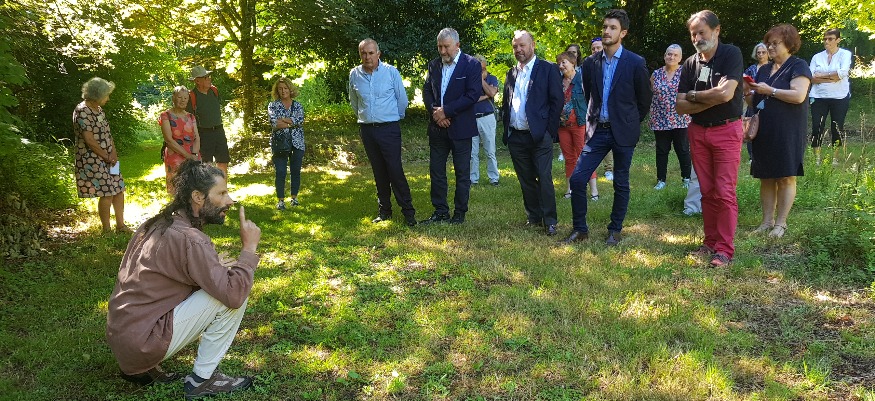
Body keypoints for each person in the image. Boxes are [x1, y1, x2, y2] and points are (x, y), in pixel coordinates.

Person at [106, 160, 261, 399]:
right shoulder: (190, 239)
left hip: (123, 337)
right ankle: (202, 380)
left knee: (224, 283)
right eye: (222, 193)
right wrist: (249, 249)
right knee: (236, 291)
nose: (230, 201)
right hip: (142, 344)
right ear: (198, 197)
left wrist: (212, 266)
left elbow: (167, 274)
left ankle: (142, 370)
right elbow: (234, 295)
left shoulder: (156, 224)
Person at [560, 10, 651, 246]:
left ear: (623, 33)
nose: (606, 31)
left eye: (612, 28)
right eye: (605, 27)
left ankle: (615, 230)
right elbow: (590, 94)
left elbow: (644, 100)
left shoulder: (635, 62)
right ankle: (580, 229)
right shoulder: (591, 63)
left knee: (620, 182)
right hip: (597, 131)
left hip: (623, 131)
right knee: (578, 179)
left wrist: (630, 122)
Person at [676, 10, 745, 267]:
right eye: (693, 34)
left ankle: (724, 250)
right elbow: (679, 106)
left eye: (701, 32)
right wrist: (711, 97)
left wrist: (694, 96)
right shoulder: (690, 64)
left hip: (727, 130)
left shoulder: (731, 54)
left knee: (724, 191)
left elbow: (726, 94)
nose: (697, 38)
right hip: (698, 131)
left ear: (716, 31)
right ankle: (710, 242)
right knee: (706, 191)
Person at [747, 24, 812, 238]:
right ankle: (767, 222)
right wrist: (747, 92)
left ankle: (781, 224)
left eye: (775, 43)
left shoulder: (798, 65)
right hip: (764, 128)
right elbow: (755, 102)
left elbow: (798, 96)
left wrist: (771, 90)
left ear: (789, 44)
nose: (770, 47)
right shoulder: (764, 69)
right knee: (766, 175)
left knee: (785, 176)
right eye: (768, 44)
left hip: (788, 129)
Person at [348, 39, 417, 226]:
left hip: (389, 128)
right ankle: (384, 211)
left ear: (378, 54)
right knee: (378, 171)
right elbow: (354, 102)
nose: (367, 57)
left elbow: (402, 100)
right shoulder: (354, 74)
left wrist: (392, 118)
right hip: (367, 130)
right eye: (363, 53)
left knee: (394, 170)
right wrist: (366, 118)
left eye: (371, 53)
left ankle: (408, 212)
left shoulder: (391, 72)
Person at [501, 30, 563, 235]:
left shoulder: (547, 69)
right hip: (516, 136)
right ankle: (534, 217)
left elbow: (557, 101)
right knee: (526, 179)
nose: (518, 49)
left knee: (544, 177)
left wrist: (548, 132)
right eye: (515, 46)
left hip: (539, 135)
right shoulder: (511, 73)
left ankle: (550, 220)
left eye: (522, 45)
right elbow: (507, 102)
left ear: (532, 45)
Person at [421, 28, 482, 225]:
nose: (442, 51)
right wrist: (435, 113)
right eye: (439, 47)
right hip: (437, 127)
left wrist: (446, 111)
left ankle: (459, 213)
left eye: (446, 47)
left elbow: (472, 95)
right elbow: (427, 91)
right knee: (436, 171)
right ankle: (440, 211)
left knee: (462, 173)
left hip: (461, 128)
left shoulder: (471, 64)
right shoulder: (434, 65)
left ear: (457, 45)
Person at [73, 77, 131, 233]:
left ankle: (121, 226)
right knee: (107, 192)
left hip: (109, 156)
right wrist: (106, 156)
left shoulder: (99, 110)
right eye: (106, 95)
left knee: (118, 188)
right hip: (93, 158)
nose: (108, 98)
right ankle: (106, 230)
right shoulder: (82, 111)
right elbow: (89, 140)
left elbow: (107, 134)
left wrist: (113, 153)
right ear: (96, 95)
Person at [648, 44, 692, 190]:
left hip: (680, 118)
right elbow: (651, 91)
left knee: (683, 149)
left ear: (680, 58)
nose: (671, 57)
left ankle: (686, 178)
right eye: (669, 54)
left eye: (675, 55)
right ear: (665, 55)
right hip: (660, 118)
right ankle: (661, 180)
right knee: (661, 150)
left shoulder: (685, 73)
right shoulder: (656, 74)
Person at [556, 51, 598, 201]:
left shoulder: (582, 79)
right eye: (559, 63)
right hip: (562, 126)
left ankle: (594, 190)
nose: (561, 66)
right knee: (569, 158)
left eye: (564, 62)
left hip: (580, 124)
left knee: (584, 156)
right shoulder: (558, 81)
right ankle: (569, 189)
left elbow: (592, 100)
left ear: (573, 63)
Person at [810, 28, 852, 165]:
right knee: (817, 126)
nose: (827, 41)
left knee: (837, 127)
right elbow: (811, 77)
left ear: (838, 40)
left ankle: (835, 158)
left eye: (830, 39)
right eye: (825, 39)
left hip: (839, 97)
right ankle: (817, 158)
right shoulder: (817, 57)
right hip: (818, 96)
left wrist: (822, 76)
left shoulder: (845, 54)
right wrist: (832, 77)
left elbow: (842, 74)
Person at [268, 77, 305, 210]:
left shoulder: (298, 105)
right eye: (280, 89)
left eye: (285, 88)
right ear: (277, 91)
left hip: (297, 143)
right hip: (280, 143)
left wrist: (283, 120)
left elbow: (300, 120)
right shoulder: (273, 105)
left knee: (295, 171)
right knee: (280, 171)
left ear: (290, 89)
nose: (283, 91)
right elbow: (274, 123)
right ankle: (281, 201)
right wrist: (290, 122)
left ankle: (294, 198)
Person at [187, 66, 230, 179]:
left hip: (219, 131)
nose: (209, 79)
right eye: (206, 77)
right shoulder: (192, 96)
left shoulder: (214, 91)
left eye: (209, 76)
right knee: (206, 165)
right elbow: (189, 120)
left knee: (223, 161)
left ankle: (223, 188)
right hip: (204, 134)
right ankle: (208, 189)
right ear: (197, 81)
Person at [160, 86, 201, 194]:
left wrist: (194, 155)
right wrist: (188, 156)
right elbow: (169, 140)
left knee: (195, 188)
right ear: (173, 98)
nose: (183, 100)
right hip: (175, 156)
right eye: (179, 97)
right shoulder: (165, 115)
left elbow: (197, 138)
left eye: (185, 98)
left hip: (193, 155)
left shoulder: (191, 117)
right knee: (176, 189)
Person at [470, 54, 500, 186]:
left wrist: (481, 80)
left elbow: (492, 93)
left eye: (483, 68)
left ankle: (494, 178)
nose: (482, 71)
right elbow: (469, 98)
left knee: (490, 150)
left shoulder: (492, 78)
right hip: (471, 118)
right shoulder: (469, 79)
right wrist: (486, 95)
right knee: (472, 152)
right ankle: (473, 179)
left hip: (487, 117)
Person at [590, 37, 613, 182]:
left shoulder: (610, 65)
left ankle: (609, 169)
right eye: (593, 48)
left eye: (598, 47)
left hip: (610, 114)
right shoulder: (588, 65)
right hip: (592, 114)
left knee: (608, 144)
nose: (595, 50)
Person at [744, 43, 769, 162]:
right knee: (751, 127)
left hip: (768, 101)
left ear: (768, 53)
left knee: (766, 127)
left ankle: (765, 153)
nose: (761, 55)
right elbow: (744, 84)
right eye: (758, 52)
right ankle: (751, 156)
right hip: (752, 101)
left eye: (763, 52)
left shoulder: (774, 68)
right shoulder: (751, 69)